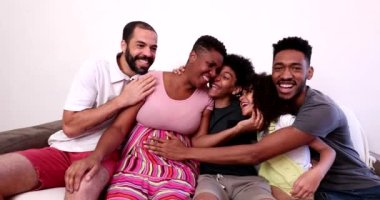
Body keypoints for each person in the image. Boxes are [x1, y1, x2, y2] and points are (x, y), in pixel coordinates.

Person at [146, 37, 380, 200]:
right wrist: (183, 72)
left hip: (356, 190)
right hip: (311, 189)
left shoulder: (317, 109)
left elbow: (255, 153)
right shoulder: (272, 102)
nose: (286, 75)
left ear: (309, 72)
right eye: (279, 68)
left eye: (296, 68)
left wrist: (185, 152)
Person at [0, 21, 158, 200]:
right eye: (140, 45)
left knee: (80, 190)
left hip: (104, 155)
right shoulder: (96, 68)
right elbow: (70, 126)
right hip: (62, 149)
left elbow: (180, 83)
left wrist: (182, 70)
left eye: (153, 48)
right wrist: (121, 100)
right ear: (123, 45)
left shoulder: (149, 81)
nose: (148, 54)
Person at [64, 35, 227, 199]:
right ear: (193, 56)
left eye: (217, 70)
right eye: (210, 65)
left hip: (177, 170)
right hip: (135, 165)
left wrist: (185, 151)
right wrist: (95, 156)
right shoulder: (150, 80)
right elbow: (119, 128)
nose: (213, 73)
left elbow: (200, 141)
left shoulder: (207, 98)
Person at [191, 54, 275, 200]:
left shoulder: (245, 108)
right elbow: (197, 143)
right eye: (217, 73)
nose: (216, 78)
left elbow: (268, 96)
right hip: (210, 178)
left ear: (236, 88)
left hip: (248, 180)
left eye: (225, 77)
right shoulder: (199, 104)